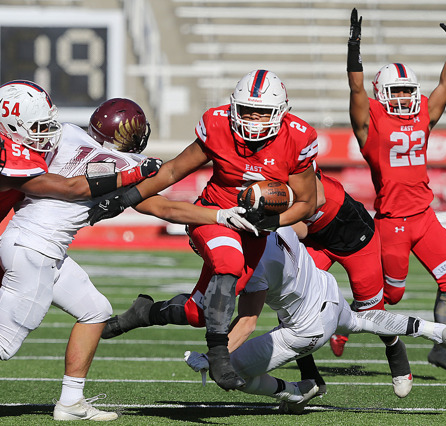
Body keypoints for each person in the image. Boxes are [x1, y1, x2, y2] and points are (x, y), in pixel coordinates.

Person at [0, 98, 255, 421]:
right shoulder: (125, 166)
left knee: (95, 310)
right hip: (35, 250)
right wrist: (219, 215)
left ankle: (70, 402)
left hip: (28, 243)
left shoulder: (61, 135)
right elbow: (165, 209)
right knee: (4, 344)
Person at [87, 70, 319, 391]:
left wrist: (271, 222)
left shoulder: (298, 137)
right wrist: (127, 198)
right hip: (212, 214)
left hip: (254, 230)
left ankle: (142, 313)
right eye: (246, 111)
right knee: (228, 263)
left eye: (261, 112)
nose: (252, 120)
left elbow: (307, 202)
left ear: (281, 113)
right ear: (234, 108)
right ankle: (219, 355)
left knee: (201, 312)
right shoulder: (218, 124)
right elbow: (172, 170)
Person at [176, 226, 446, 413]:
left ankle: (297, 392)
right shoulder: (281, 223)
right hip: (328, 290)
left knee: (226, 372)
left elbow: (248, 322)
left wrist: (214, 356)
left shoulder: (253, 267)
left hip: (307, 328)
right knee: (362, 320)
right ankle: (436, 329)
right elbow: (302, 225)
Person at [346, 8, 446, 376]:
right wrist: (354, 48)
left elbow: (445, 86)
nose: (401, 96)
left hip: (425, 217)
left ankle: (442, 352)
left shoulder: (422, 117)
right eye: (395, 90)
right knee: (390, 296)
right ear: (380, 93)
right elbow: (354, 87)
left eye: (406, 90)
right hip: (393, 222)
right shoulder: (370, 125)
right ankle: (346, 321)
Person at [285, 169, 413, 397]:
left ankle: (395, 350)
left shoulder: (294, 157)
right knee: (291, 296)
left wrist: (269, 217)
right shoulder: (257, 169)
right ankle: (310, 376)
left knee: (372, 312)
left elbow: (316, 201)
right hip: (315, 240)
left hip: (353, 237)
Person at [0, 81, 162, 223]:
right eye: (39, 125)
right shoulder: (8, 154)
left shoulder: (25, 147)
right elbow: (69, 187)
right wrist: (133, 173)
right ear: (11, 125)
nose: (45, 131)